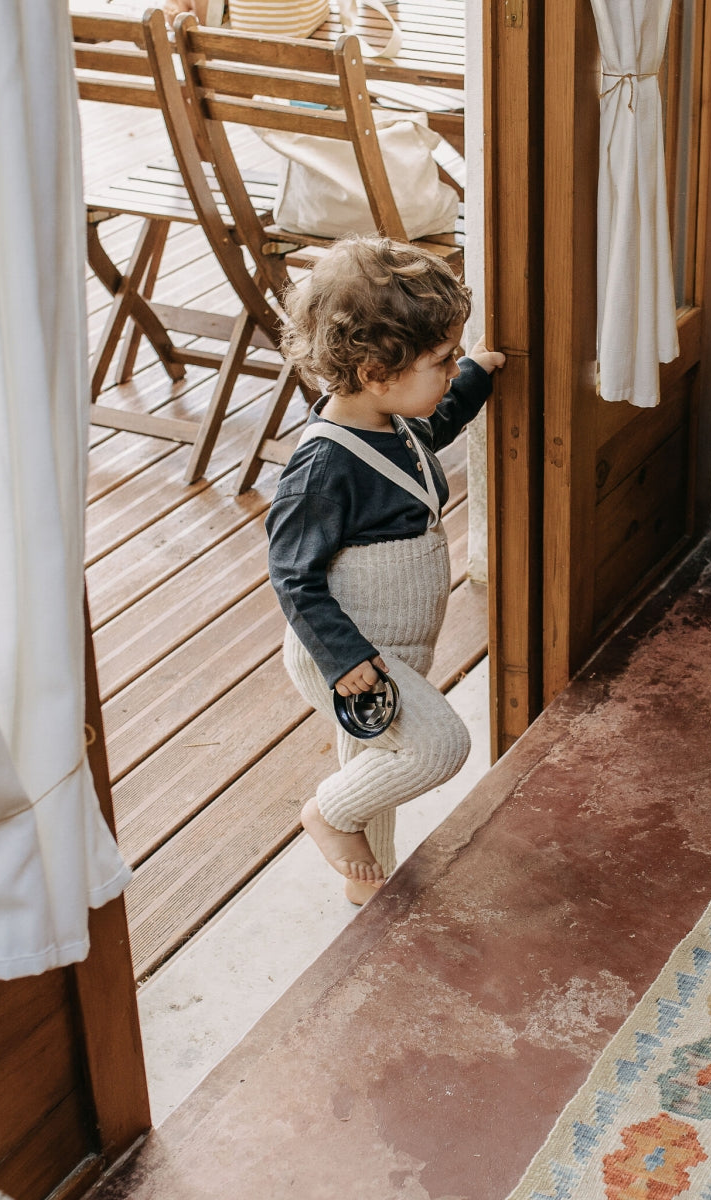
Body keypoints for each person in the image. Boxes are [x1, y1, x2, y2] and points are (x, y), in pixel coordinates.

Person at [266, 237, 505, 905]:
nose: (449, 369)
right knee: (435, 746)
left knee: (377, 760)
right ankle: (328, 814)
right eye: (441, 360)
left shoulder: (394, 421)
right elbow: (291, 574)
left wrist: (474, 373)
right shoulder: (324, 466)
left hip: (396, 644)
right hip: (349, 652)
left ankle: (368, 886)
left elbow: (440, 420)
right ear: (376, 372)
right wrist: (344, 658)